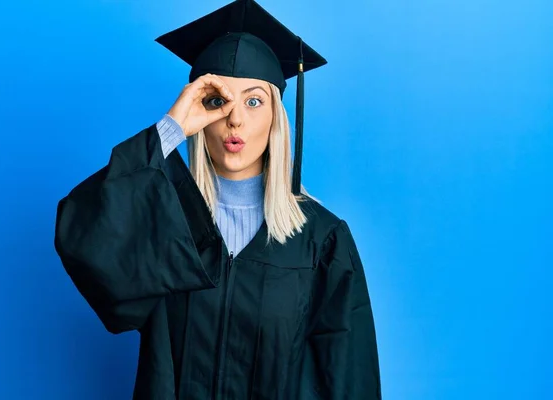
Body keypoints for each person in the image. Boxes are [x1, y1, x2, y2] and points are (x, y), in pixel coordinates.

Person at [53, 0, 382, 398]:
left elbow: (350, 381)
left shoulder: (322, 240)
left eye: (254, 101)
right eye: (217, 100)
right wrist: (171, 129)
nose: (235, 119)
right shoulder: (164, 218)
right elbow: (83, 235)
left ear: (277, 117)